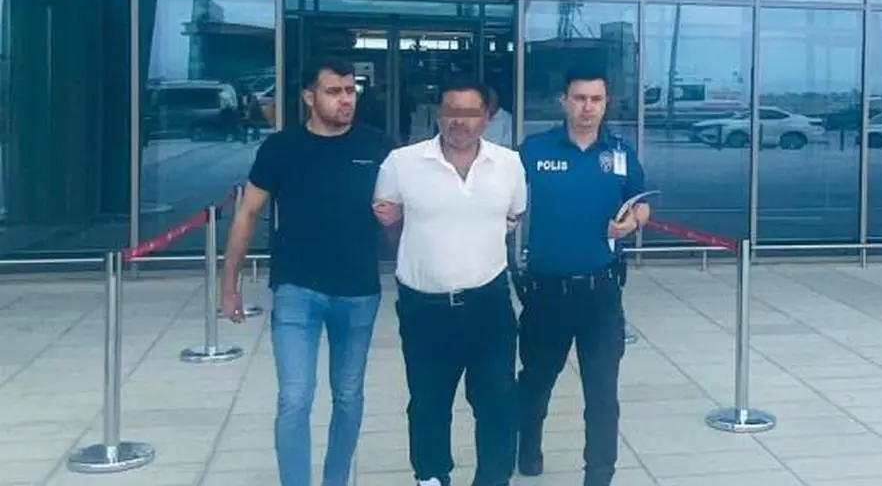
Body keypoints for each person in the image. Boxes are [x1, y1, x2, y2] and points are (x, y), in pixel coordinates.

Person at [220, 58, 394, 486]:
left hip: (358, 291)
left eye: (351, 91)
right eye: (334, 91)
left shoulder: (378, 146)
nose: (345, 100)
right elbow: (247, 214)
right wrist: (229, 286)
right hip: (297, 289)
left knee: (348, 396)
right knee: (295, 399)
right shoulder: (282, 148)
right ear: (309, 97)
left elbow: (407, 209)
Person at [373, 80, 527, 486]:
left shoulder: (509, 164)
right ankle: (431, 477)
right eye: (451, 111)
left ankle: (492, 479)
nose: (460, 121)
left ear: (487, 118)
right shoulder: (401, 163)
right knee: (428, 401)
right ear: (438, 115)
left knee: (497, 401)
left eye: (470, 112)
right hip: (425, 308)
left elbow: (513, 216)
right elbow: (391, 228)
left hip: (488, 305)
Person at [515, 68, 650, 486]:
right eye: (579, 98)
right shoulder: (534, 150)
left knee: (602, 392)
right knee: (536, 381)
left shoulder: (620, 153)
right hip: (546, 291)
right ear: (564, 101)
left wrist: (633, 222)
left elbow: (642, 202)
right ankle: (527, 450)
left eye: (596, 99)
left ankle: (599, 475)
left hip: (600, 293)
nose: (587, 107)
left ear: (606, 104)